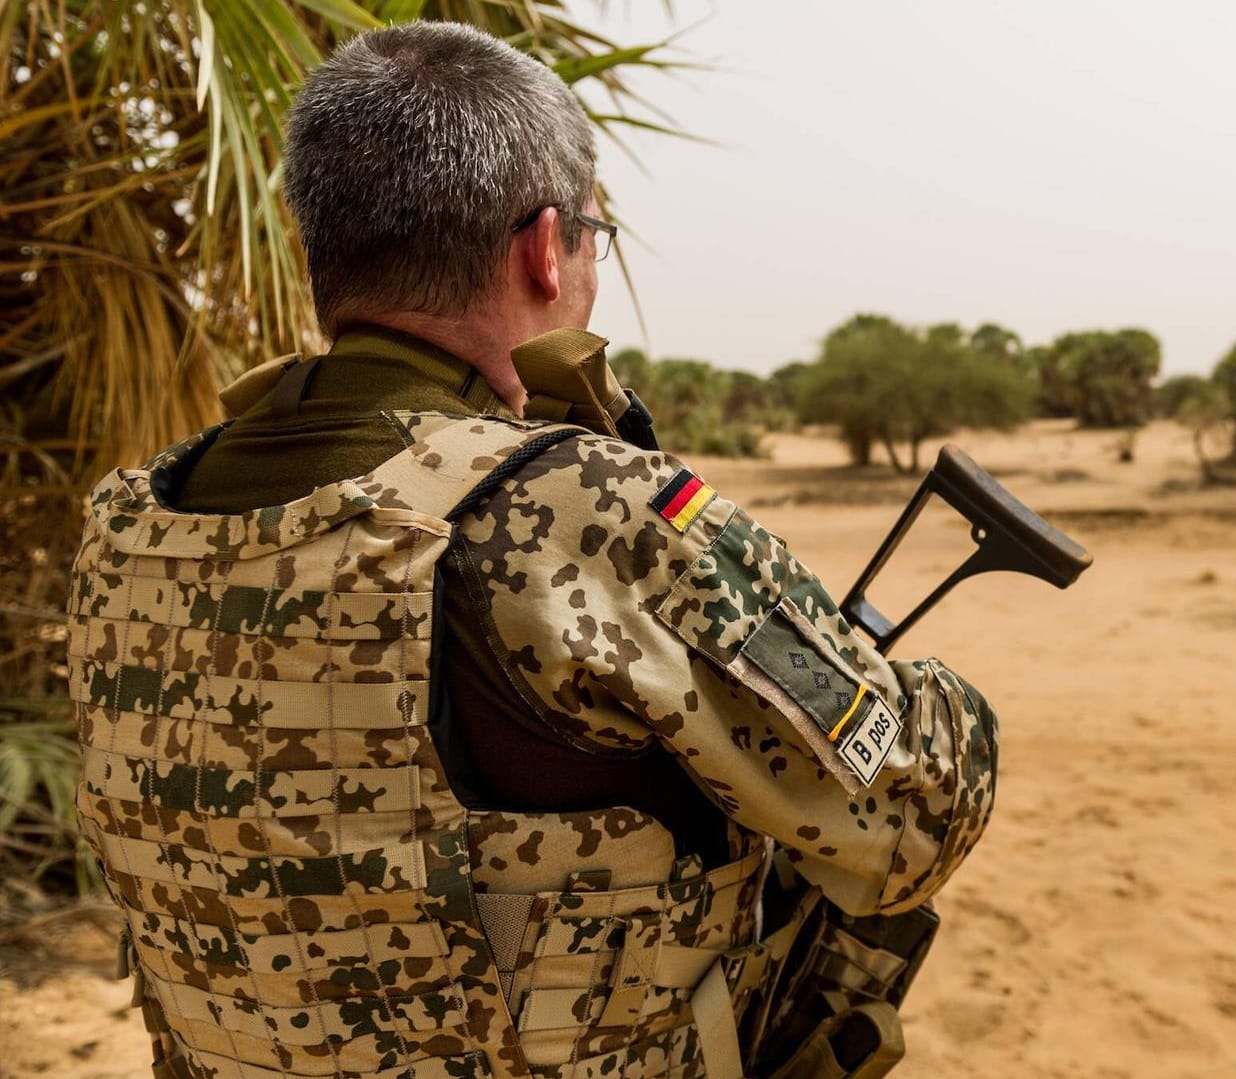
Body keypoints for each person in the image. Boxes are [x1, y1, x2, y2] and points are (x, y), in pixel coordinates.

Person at [66, 22, 997, 1079]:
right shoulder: (578, 506)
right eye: (595, 235)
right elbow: (912, 825)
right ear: (544, 248)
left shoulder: (130, 523)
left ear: (324, 251)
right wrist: (932, 701)